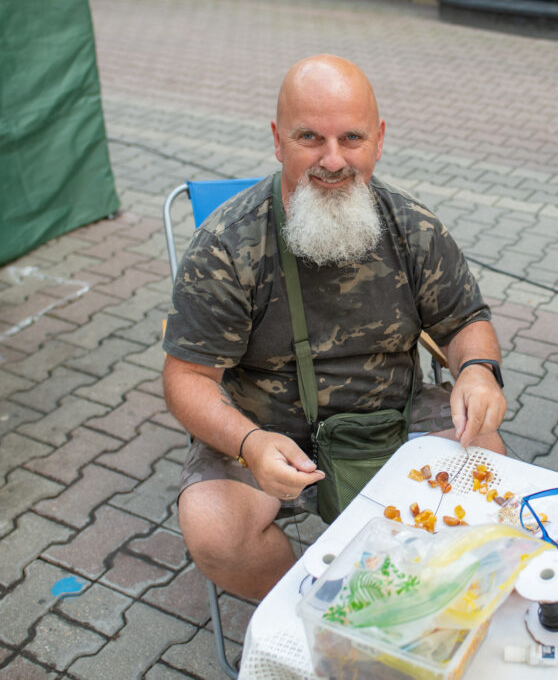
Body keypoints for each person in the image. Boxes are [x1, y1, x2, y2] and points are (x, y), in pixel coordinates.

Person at [162, 55, 507, 598]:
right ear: (277, 141)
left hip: (395, 413)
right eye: (309, 138)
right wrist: (248, 442)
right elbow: (186, 378)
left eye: (351, 138)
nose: (332, 160)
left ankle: (424, 593)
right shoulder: (228, 244)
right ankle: (317, 608)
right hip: (271, 430)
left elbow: (465, 320)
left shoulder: (412, 226)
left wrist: (480, 371)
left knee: (491, 472)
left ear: (379, 139)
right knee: (215, 530)